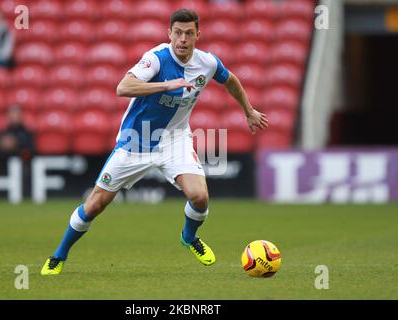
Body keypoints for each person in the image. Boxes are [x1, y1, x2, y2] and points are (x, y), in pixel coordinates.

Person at [41, 8, 268, 275]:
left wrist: (248, 111)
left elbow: (230, 80)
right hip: (136, 140)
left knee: (200, 197)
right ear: (169, 33)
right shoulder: (156, 59)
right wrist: (165, 85)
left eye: (189, 33)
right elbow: (123, 88)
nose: (183, 39)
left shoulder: (207, 63)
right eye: (178, 33)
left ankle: (188, 237)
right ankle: (59, 256)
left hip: (175, 140)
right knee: (95, 204)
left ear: (198, 35)